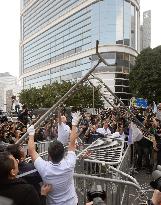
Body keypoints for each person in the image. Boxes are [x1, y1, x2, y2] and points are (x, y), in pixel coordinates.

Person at [27, 111, 81, 205]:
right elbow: (72, 144)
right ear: (64, 153)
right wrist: (74, 124)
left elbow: (31, 151)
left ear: (49, 155)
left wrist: (31, 134)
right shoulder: (69, 164)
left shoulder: (44, 168)